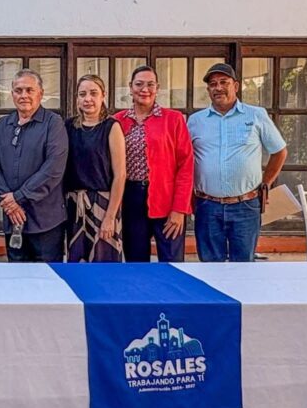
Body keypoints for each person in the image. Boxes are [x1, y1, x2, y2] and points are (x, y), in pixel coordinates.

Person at [187, 62, 288, 262]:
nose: (218, 88)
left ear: (236, 85)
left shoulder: (256, 115)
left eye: (223, 82)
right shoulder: (195, 121)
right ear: (208, 90)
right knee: (209, 267)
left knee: (243, 268)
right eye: (213, 84)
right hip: (207, 206)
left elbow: (279, 151)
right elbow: (184, 159)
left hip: (245, 206)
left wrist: (266, 183)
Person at [114, 65, 194, 263]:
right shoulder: (117, 121)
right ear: (130, 87)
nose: (145, 89)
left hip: (166, 198)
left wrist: (179, 209)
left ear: (157, 88)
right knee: (136, 262)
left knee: (171, 262)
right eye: (139, 84)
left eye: (150, 84)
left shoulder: (173, 119)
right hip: (130, 198)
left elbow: (186, 165)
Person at [0, 69, 68, 262]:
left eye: (29, 90)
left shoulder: (53, 124)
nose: (23, 95)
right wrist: (9, 204)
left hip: (45, 222)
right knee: (17, 277)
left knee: (46, 276)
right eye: (18, 90)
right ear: (12, 94)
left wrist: (18, 197)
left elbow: (53, 169)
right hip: (12, 219)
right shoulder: (3, 124)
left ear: (40, 93)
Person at [64, 75, 125, 262]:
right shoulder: (68, 126)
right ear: (77, 98)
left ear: (103, 96)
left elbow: (120, 175)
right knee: (77, 263)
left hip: (104, 204)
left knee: (104, 260)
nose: (87, 99)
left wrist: (110, 216)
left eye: (93, 93)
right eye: (82, 94)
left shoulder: (111, 127)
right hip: (75, 205)